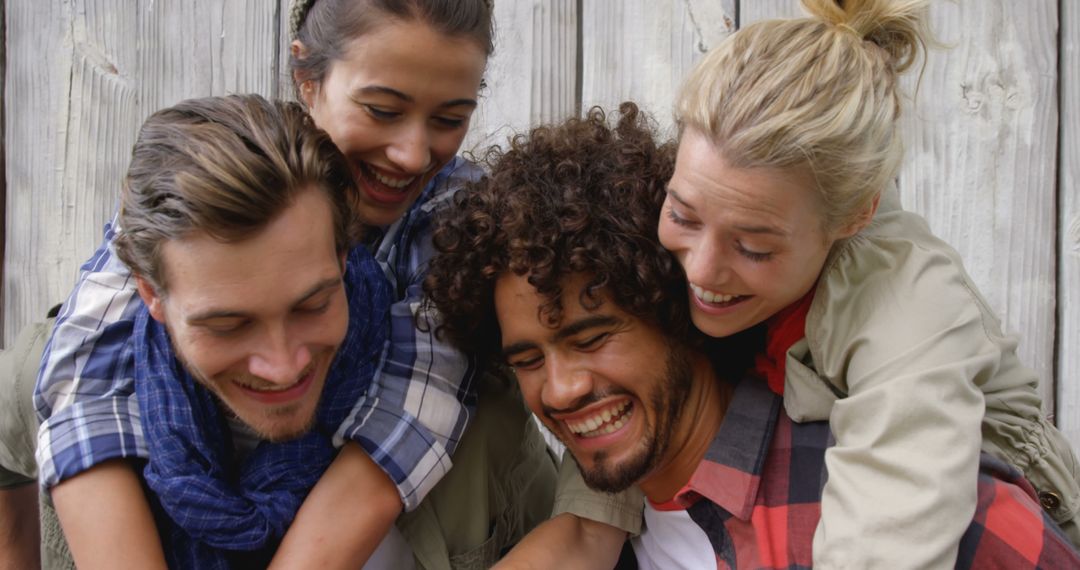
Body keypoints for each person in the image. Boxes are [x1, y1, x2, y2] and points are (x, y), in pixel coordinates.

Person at [514, 1, 1080, 568]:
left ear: (855, 216)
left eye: (753, 247)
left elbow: (885, 544)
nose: (701, 272)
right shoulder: (730, 199)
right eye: (683, 215)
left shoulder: (907, 315)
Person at [11, 0, 555, 567]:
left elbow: (408, 417)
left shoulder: (462, 217)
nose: (414, 153)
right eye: (381, 109)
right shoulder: (204, 183)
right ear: (308, 78)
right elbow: (80, 380)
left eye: (448, 120)